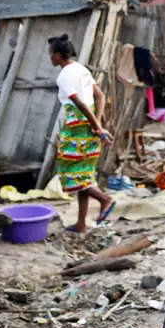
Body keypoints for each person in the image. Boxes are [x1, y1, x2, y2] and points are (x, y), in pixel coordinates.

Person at [48, 34, 114, 233]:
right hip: (90, 126)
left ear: (59, 55)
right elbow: (99, 96)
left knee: (68, 173)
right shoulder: (81, 69)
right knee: (82, 174)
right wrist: (98, 124)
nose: (50, 58)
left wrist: (98, 127)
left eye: (51, 54)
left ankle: (105, 199)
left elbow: (80, 104)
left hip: (77, 129)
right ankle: (81, 224)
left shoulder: (64, 75)